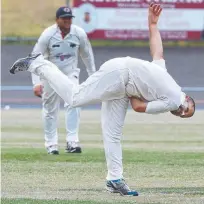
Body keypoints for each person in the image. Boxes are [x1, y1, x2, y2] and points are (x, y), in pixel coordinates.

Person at [10, 3, 195, 196]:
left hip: (122, 85)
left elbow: (158, 53)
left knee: (112, 135)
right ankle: (38, 63)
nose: (181, 111)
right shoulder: (174, 100)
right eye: (187, 109)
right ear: (187, 98)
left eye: (183, 115)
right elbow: (138, 106)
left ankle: (114, 179)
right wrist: (139, 88)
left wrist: (153, 25)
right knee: (74, 98)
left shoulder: (164, 75)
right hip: (120, 76)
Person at [31, 6, 96, 154]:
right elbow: (35, 58)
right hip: (50, 74)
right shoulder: (47, 35)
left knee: (75, 102)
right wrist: (36, 83)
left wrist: (93, 76)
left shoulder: (78, 33)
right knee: (50, 109)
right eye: (64, 18)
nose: (67, 21)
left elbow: (87, 56)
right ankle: (51, 144)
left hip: (70, 74)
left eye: (69, 18)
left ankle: (72, 142)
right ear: (57, 20)